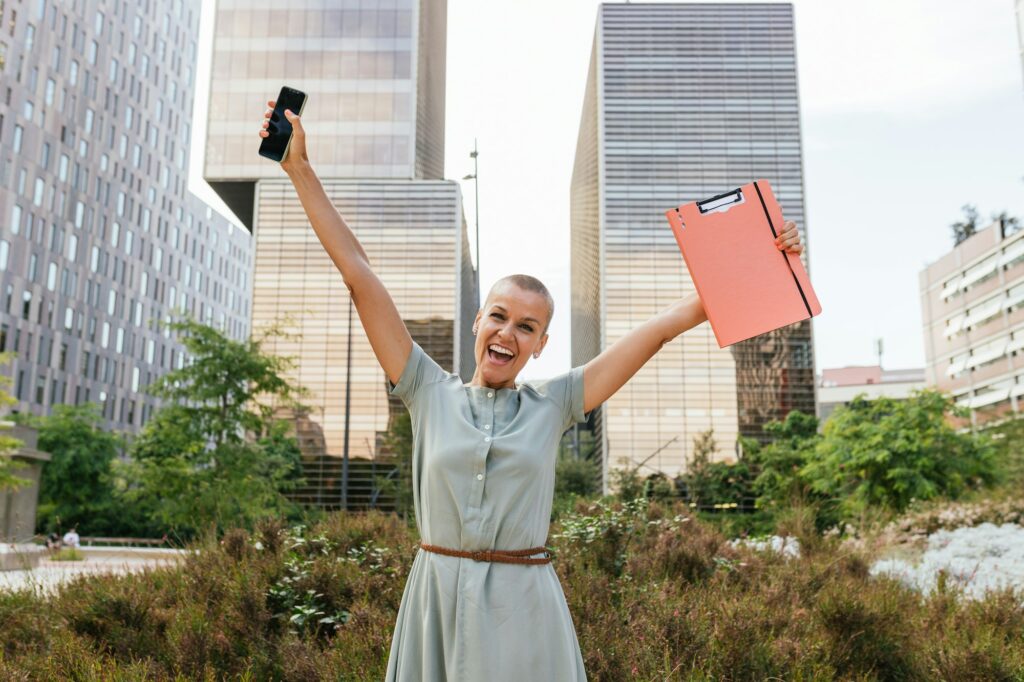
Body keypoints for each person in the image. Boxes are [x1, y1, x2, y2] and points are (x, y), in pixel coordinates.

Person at [258, 103, 803, 681]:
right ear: (477, 322)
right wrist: (300, 170)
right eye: (498, 316)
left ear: (541, 344)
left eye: (526, 326)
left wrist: (765, 259)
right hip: (435, 604)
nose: (508, 333)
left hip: (523, 613)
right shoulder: (424, 388)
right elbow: (358, 273)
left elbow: (661, 329)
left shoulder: (557, 403)